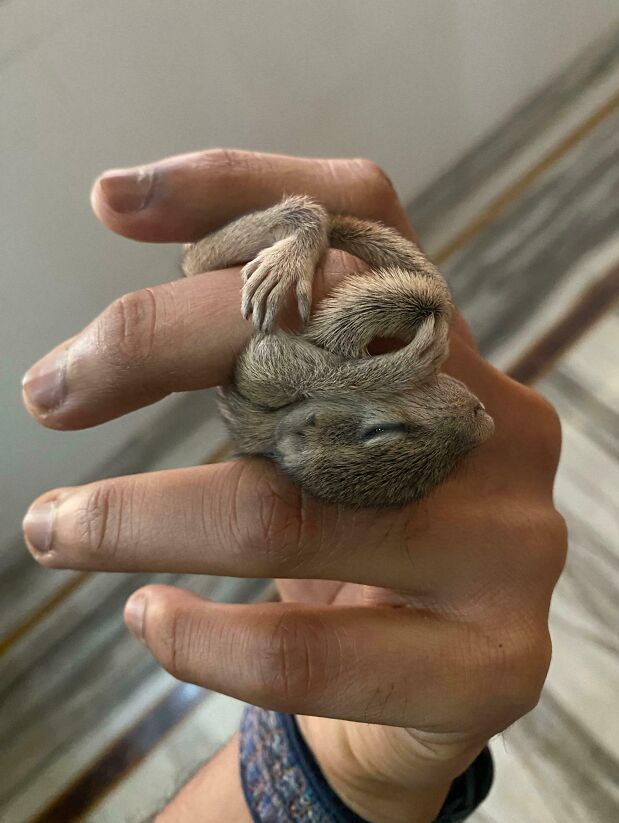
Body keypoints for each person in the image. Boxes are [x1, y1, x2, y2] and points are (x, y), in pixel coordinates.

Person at [21, 150, 566, 822]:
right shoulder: (324, 404)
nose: (474, 419)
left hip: (297, 362)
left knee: (304, 244)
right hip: (302, 338)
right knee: (305, 225)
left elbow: (274, 362)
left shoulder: (317, 402)